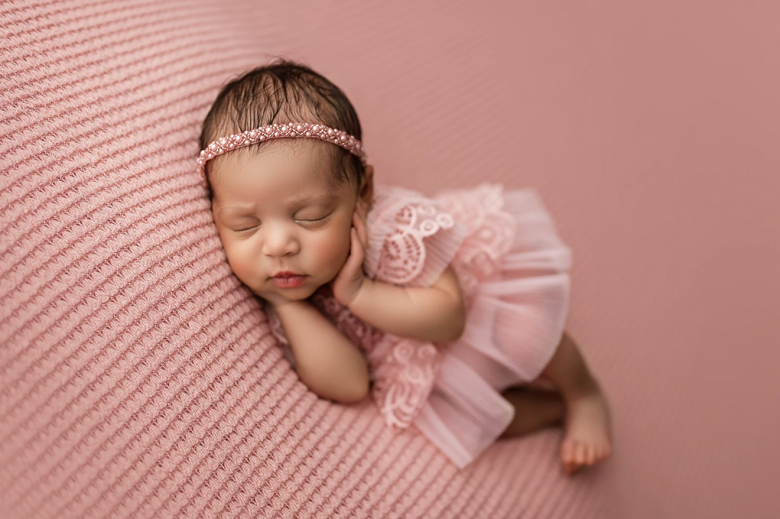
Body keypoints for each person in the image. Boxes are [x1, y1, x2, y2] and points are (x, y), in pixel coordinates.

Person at [196, 59, 611, 474]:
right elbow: (352, 384)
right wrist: (284, 305)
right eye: (244, 225)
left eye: (310, 217)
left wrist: (359, 294)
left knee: (529, 335)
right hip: (420, 369)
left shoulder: (394, 230)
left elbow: (450, 321)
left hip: (470, 312)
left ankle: (582, 394)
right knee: (469, 418)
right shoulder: (283, 299)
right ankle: (554, 410)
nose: (279, 245)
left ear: (363, 193)